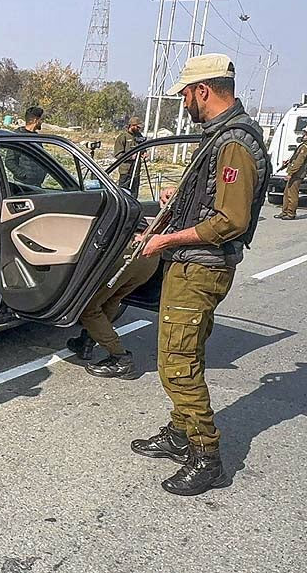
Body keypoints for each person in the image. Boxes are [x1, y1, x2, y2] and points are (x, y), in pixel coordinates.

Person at [133, 54, 269, 496]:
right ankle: (178, 433)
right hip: (192, 264)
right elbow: (214, 198)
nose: (185, 102)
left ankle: (206, 455)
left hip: (201, 267)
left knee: (176, 364)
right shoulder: (221, 136)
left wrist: (164, 241)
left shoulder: (233, 143)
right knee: (183, 354)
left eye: (187, 94)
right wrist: (183, 193)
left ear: (204, 91)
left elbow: (229, 220)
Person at [77, 241, 161, 379]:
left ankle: (121, 358)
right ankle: (87, 341)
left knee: (88, 308)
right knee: (112, 299)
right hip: (150, 257)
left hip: (127, 253)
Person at [275, 124, 307, 219]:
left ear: (306, 133)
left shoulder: (306, 146)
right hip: (297, 173)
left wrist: (291, 173)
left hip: (297, 174)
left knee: (292, 194)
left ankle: (290, 213)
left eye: (304, 133)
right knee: (287, 192)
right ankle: (285, 211)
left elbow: (299, 162)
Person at [114, 116, 147, 194]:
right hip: (125, 171)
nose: (139, 129)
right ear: (132, 126)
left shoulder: (139, 136)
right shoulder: (123, 137)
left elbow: (142, 147)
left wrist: (144, 153)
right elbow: (117, 154)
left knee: (134, 192)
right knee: (123, 192)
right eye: (137, 127)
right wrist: (130, 157)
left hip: (136, 171)